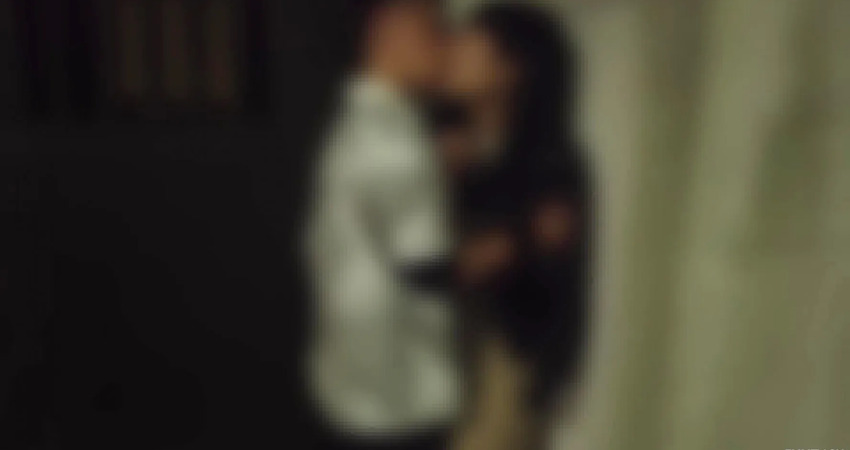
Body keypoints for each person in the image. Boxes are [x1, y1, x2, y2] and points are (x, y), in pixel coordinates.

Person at [303, 1, 459, 449]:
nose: (447, 49)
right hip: (396, 395)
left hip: (350, 376)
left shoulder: (358, 122)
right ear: (393, 31)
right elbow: (428, 272)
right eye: (436, 34)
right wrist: (517, 242)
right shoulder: (396, 144)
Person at [439, 4, 593, 449]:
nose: (454, 51)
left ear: (511, 70)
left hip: (505, 364)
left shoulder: (549, 163)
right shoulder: (454, 142)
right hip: (450, 366)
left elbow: (500, 260)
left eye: (471, 45)